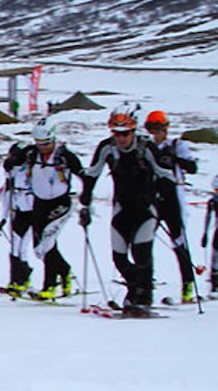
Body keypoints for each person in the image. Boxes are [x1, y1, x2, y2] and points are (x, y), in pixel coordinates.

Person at [79, 104, 178, 315]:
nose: (121, 138)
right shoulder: (107, 147)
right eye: (116, 133)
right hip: (121, 207)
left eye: (125, 133)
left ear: (134, 131)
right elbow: (92, 174)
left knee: (142, 253)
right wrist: (85, 203)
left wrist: (159, 195)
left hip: (146, 208)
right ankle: (135, 289)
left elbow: (166, 176)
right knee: (119, 257)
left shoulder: (146, 148)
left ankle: (144, 295)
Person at [18, 119, 88, 299]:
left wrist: (86, 199)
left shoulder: (65, 156)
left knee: (48, 242)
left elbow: (84, 176)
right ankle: (65, 272)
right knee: (39, 247)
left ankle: (50, 286)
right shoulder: (32, 154)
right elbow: (12, 162)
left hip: (61, 203)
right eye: (39, 143)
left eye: (46, 143)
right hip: (39, 203)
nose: (43, 148)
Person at [144, 110, 201, 303]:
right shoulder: (147, 147)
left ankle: (188, 284)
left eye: (158, 129)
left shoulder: (177, 145)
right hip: (153, 198)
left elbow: (193, 168)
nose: (155, 133)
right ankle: (144, 281)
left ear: (166, 129)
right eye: (152, 129)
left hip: (173, 198)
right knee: (145, 240)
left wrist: (175, 158)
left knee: (179, 242)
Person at [0, 143, 37, 295]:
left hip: (32, 212)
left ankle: (23, 279)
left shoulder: (33, 169)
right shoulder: (13, 172)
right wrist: (3, 217)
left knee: (23, 248)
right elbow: (7, 193)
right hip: (18, 212)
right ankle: (15, 280)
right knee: (15, 247)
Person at [203, 175, 218, 297]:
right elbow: (208, 219)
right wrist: (205, 234)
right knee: (215, 257)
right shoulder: (213, 202)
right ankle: (215, 284)